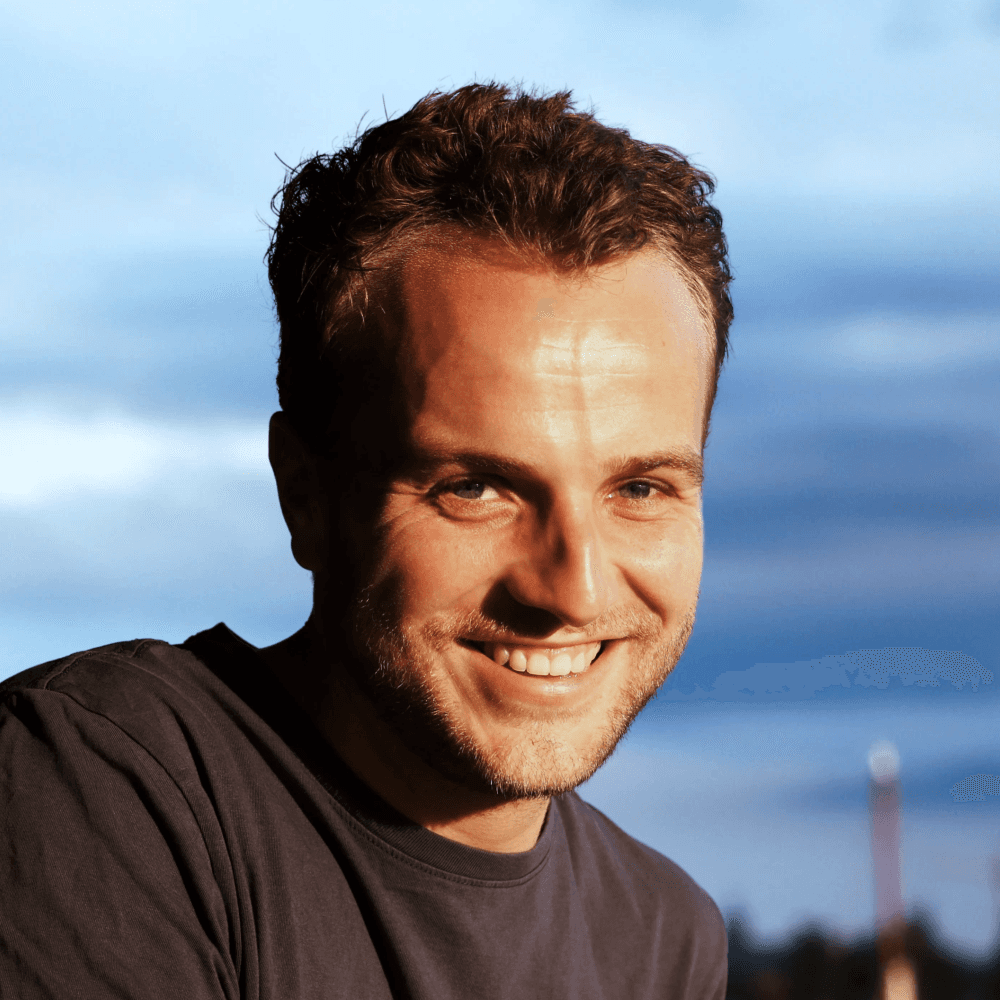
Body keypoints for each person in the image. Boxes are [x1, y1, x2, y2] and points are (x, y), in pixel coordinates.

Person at [0, 82, 733, 998]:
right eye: (476, 487)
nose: (573, 590)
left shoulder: (665, 936)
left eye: (639, 487)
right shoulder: (105, 789)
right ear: (304, 491)